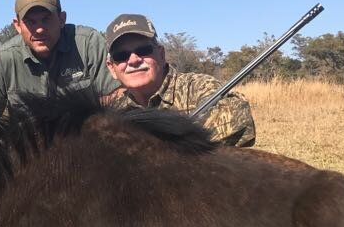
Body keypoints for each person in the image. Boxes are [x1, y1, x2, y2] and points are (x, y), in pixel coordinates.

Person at [0, 0, 120, 121]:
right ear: (17, 25)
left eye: (46, 19)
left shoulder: (88, 43)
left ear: (62, 19)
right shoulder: (1, 60)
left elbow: (117, 96)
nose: (39, 29)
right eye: (30, 22)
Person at [104, 13, 256, 146]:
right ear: (112, 68)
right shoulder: (114, 110)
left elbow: (238, 116)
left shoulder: (198, 87)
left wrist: (164, 149)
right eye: (121, 56)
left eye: (143, 50)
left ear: (161, 54)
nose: (133, 60)